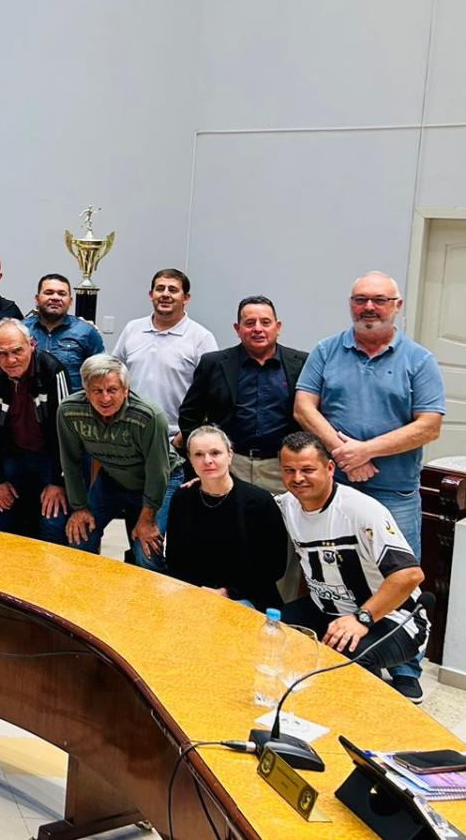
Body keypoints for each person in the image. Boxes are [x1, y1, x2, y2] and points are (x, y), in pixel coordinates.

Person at [294, 271, 445, 695]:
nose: (369, 308)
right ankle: (338, 646)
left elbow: (429, 425)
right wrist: (343, 452)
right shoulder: (327, 350)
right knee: (328, 572)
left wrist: (368, 451)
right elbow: (305, 407)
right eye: (361, 299)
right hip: (330, 486)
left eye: (379, 300)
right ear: (350, 303)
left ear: (397, 305)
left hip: (392, 490)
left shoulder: (419, 360)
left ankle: (405, 668)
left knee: (398, 576)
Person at [277, 431, 430, 701]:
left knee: (345, 661)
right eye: (289, 470)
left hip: (391, 617)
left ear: (330, 468)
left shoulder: (362, 510)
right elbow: (248, 502)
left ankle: (364, 721)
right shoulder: (288, 504)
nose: (298, 478)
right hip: (327, 610)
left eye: (308, 469)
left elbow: (410, 574)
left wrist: (362, 618)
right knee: (267, 632)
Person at [177, 296, 308, 495]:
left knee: (281, 525)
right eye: (249, 323)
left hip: (282, 467)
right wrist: (205, 457)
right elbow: (189, 414)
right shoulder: (214, 364)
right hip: (230, 466)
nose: (257, 328)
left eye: (265, 322)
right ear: (238, 329)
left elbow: (313, 414)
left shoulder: (301, 363)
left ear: (277, 327)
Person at [58, 354, 174, 570]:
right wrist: (79, 507)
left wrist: (147, 518)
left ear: (126, 390)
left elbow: (158, 471)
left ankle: (153, 600)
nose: (105, 399)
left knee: (146, 551)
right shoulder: (69, 411)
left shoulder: (149, 416)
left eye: (112, 390)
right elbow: (70, 462)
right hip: (113, 477)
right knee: (79, 537)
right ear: (86, 391)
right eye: (97, 391)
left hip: (160, 480)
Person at [164, 426, 290, 611]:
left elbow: (274, 565)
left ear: (230, 455)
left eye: (215, 453)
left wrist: (228, 593)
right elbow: (175, 559)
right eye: (199, 455)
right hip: (195, 594)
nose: (208, 460)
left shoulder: (259, 501)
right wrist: (196, 594)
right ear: (190, 460)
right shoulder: (182, 498)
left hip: (246, 597)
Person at [0, 319, 75, 546]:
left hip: (49, 459)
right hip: (12, 457)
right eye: (2, 354)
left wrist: (58, 482)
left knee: (53, 522)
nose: (11, 360)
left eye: (17, 351)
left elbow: (66, 433)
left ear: (32, 344)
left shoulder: (53, 371)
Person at [111, 268, 218, 438]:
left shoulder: (201, 337)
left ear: (186, 298)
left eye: (173, 290)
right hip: (129, 431)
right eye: (160, 289)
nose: (165, 294)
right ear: (151, 294)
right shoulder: (132, 328)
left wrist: (185, 435)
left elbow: (212, 392)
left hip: (174, 437)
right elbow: (115, 374)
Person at [23, 273, 105, 393]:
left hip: (71, 407)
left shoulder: (86, 331)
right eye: (49, 292)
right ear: (37, 299)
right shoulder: (21, 330)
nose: (55, 297)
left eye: (62, 294)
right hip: (30, 405)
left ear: (70, 301)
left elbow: (101, 373)